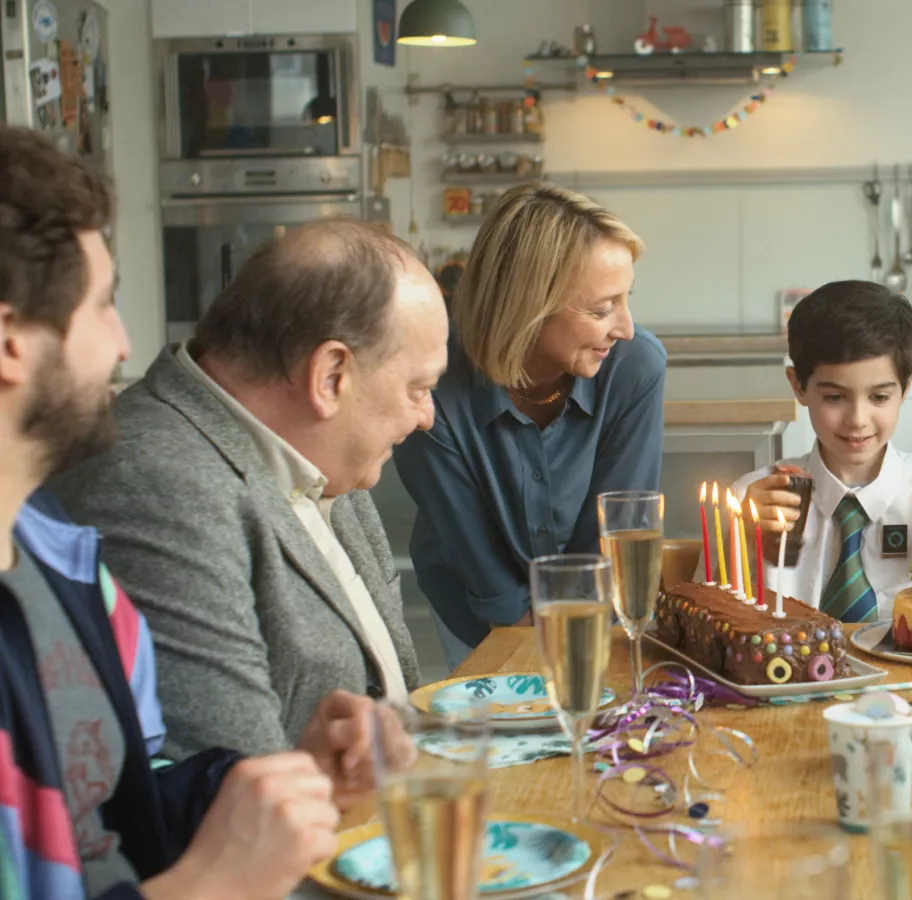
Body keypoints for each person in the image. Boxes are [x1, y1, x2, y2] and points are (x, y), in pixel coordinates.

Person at [0, 125, 385, 900]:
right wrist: (211, 885)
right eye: (102, 305)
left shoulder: (58, 563)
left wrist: (277, 782)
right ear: (10, 341)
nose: (124, 343)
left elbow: (123, 802)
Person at [51, 218, 447, 761]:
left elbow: (395, 686)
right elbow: (237, 790)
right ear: (331, 376)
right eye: (419, 388)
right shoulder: (155, 484)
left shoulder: (323, 448)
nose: (428, 416)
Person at [393, 183, 665, 667]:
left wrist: (583, 639)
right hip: (474, 600)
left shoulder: (635, 365)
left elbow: (615, 530)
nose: (624, 326)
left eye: (625, 300)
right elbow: (481, 567)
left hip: (589, 604)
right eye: (602, 308)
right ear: (528, 305)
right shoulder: (430, 383)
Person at [733, 281, 912, 621]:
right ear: (798, 386)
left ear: (906, 387)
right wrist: (736, 539)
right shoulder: (755, 499)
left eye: (879, 397)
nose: (858, 420)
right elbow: (703, 622)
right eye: (834, 397)